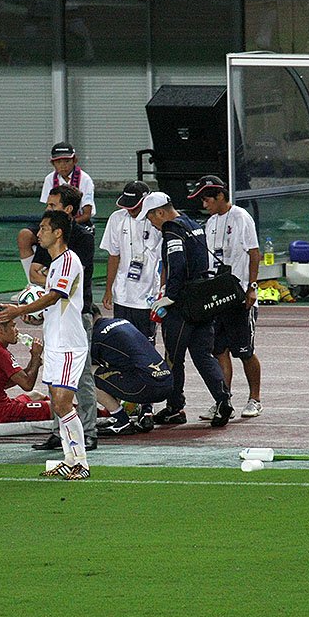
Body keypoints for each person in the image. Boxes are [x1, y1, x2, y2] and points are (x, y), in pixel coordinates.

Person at [0, 209, 91, 480]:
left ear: (58, 233)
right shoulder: (55, 265)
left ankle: (81, 462)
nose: (38, 234)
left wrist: (19, 310)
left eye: (44, 229)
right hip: (56, 343)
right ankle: (69, 460)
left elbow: (55, 296)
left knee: (63, 404)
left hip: (69, 345)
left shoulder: (69, 260)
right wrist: (36, 317)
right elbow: (55, 306)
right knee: (58, 405)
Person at [140, 192, 235, 427]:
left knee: (174, 358)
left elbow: (177, 263)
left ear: (160, 212)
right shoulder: (193, 224)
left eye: (151, 217)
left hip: (183, 304)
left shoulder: (172, 229)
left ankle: (175, 407)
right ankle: (223, 400)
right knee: (203, 355)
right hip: (202, 300)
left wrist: (169, 296)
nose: (151, 223)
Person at [28, 184, 98, 451]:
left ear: (68, 210)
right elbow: (35, 271)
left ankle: (87, 433)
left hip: (77, 315)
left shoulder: (81, 239)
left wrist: (24, 308)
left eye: (52, 205)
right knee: (54, 382)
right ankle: (60, 434)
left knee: (81, 378)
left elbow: (66, 283)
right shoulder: (48, 237)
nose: (47, 209)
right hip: (55, 318)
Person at [188, 175, 264, 420]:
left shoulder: (241, 217)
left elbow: (254, 252)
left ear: (220, 196)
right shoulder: (210, 223)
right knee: (219, 350)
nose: (204, 204)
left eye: (207, 199)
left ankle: (255, 399)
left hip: (239, 295)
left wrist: (252, 287)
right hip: (217, 296)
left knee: (244, 351)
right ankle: (224, 401)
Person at [100, 180, 162, 429]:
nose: (130, 210)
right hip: (122, 296)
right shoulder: (117, 219)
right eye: (127, 205)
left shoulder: (155, 220)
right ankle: (129, 401)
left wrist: (162, 291)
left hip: (147, 298)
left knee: (146, 350)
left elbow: (165, 259)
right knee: (122, 349)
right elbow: (113, 255)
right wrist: (108, 289)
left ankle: (148, 405)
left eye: (135, 206)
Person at [17, 141, 96, 285]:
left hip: (77, 223)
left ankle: (58, 279)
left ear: (75, 160)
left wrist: (65, 224)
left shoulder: (85, 179)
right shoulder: (50, 179)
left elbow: (86, 214)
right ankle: (33, 284)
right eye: (58, 162)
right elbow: (48, 210)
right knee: (25, 235)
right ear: (52, 163)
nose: (63, 165)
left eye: (67, 161)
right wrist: (48, 226)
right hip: (55, 222)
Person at [91, 305, 173, 436]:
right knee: (132, 365)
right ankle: (146, 411)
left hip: (145, 387)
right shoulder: (122, 322)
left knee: (87, 374)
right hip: (166, 382)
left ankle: (122, 421)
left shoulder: (95, 336)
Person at [0, 306, 52, 424]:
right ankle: (76, 417)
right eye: (13, 326)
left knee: (36, 395)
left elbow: (2, 383)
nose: (17, 330)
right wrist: (35, 356)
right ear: (1, 330)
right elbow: (28, 385)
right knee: (57, 407)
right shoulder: (0, 353)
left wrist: (33, 365)